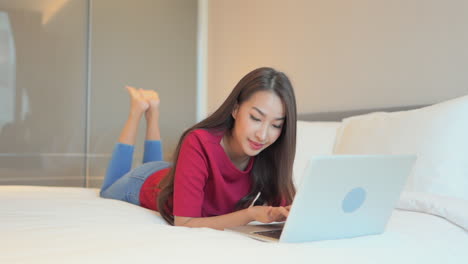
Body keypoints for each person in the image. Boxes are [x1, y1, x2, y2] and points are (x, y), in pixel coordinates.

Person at [100, 67, 297, 230]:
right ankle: (137, 111)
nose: (262, 135)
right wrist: (250, 214)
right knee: (107, 189)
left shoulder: (270, 154)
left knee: (154, 163)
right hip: (145, 182)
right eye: (255, 118)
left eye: (276, 125)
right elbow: (184, 222)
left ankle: (152, 114)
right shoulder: (199, 141)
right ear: (235, 109)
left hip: (173, 174)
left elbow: (290, 212)